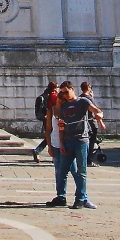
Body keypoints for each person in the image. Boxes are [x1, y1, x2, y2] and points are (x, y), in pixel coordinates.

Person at [46, 81, 104, 209]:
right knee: (62, 171)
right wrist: (61, 143)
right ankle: (61, 196)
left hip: (81, 141)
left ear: (72, 89)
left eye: (66, 92)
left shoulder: (82, 101)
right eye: (62, 93)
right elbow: (61, 127)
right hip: (67, 141)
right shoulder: (64, 108)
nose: (65, 95)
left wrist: (99, 114)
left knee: (81, 171)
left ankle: (81, 198)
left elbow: (95, 110)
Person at [31, 81, 58, 162]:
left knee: (50, 137)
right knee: (51, 137)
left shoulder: (53, 96)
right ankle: (53, 155)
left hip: (53, 119)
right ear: (53, 88)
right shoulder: (43, 98)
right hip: (48, 120)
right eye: (57, 87)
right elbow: (40, 111)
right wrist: (45, 116)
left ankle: (37, 151)